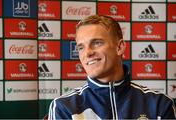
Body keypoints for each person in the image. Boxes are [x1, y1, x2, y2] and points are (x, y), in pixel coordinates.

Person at [48, 15, 176, 119]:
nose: (87, 53)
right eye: (81, 47)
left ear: (119, 47)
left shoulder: (159, 104)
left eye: (97, 43)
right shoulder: (64, 107)